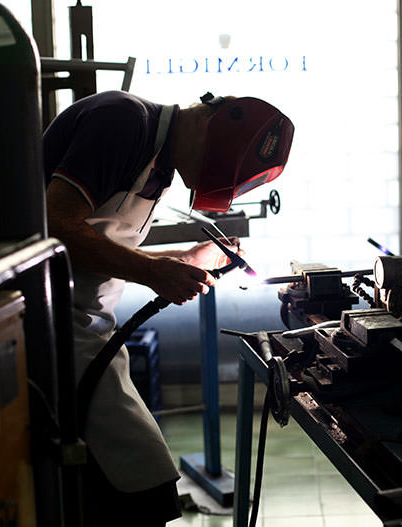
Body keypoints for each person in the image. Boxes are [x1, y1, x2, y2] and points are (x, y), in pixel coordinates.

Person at [43, 90, 294, 526]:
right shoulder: (123, 123)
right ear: (208, 122)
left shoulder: (157, 160)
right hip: (46, 324)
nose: (198, 179)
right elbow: (55, 227)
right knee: (142, 481)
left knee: (135, 480)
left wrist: (181, 261)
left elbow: (102, 243)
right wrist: (153, 274)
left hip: (87, 327)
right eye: (208, 170)